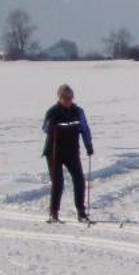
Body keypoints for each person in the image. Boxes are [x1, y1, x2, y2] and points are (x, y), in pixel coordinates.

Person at [41, 83, 94, 223]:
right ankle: (54, 213)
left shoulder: (78, 111)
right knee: (58, 182)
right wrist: (52, 124)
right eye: (65, 97)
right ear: (59, 97)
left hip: (71, 152)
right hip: (54, 152)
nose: (68, 100)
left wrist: (89, 146)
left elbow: (84, 129)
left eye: (70, 97)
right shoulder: (53, 111)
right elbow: (45, 128)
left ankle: (81, 212)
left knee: (79, 180)